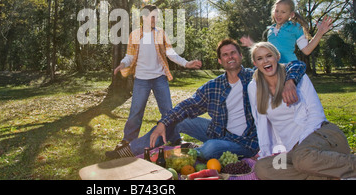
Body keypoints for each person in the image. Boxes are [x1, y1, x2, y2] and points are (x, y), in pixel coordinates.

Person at [105, 38, 306, 160]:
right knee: (177, 119)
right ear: (220, 60)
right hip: (216, 132)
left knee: (210, 149)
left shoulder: (255, 76)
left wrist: (290, 82)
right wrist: (163, 122)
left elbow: (295, 65)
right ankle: (130, 150)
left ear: (240, 56)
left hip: (246, 142)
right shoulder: (213, 86)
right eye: (225, 55)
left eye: (233, 53)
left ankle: (182, 152)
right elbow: (187, 106)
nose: (230, 57)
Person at [249, 42, 356, 179]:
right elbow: (261, 123)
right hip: (295, 153)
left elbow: (316, 114)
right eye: (260, 58)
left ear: (277, 56)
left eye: (269, 56)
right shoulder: (254, 87)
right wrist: (265, 152)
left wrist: (301, 145)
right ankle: (333, 174)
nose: (265, 61)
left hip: (322, 136)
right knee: (263, 167)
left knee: (302, 158)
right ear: (255, 63)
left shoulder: (297, 77)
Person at [112, 4, 202, 150]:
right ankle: (128, 141)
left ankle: (175, 139)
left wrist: (186, 64)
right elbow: (130, 56)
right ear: (144, 17)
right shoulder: (135, 35)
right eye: (153, 16)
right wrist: (123, 64)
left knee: (168, 111)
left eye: (156, 17)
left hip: (159, 78)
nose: (155, 19)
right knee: (136, 111)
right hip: (141, 79)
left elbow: (170, 53)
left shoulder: (161, 33)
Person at [240, 0, 333, 63]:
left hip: (290, 67)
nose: (278, 14)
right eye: (276, 11)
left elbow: (307, 50)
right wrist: (252, 45)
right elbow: (267, 51)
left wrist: (320, 32)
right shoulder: (270, 31)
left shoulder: (295, 27)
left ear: (291, 14)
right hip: (274, 69)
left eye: (283, 12)